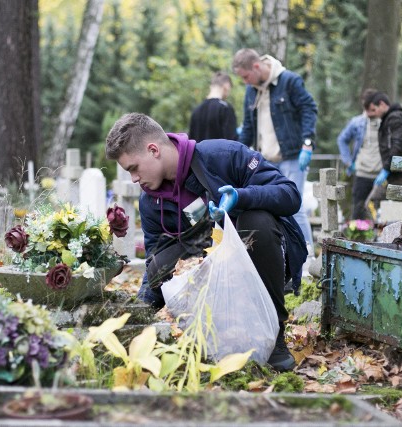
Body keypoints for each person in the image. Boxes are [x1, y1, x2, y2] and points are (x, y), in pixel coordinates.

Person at [105, 112, 307, 371]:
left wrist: (242, 197)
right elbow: (156, 259)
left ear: (153, 149)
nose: (133, 178)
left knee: (257, 220)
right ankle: (212, 336)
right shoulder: (150, 202)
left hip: (261, 256)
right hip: (211, 272)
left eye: (133, 168)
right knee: (161, 263)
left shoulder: (224, 155)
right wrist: (138, 315)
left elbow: (290, 195)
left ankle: (274, 334)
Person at [231, 48, 318, 257]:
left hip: (292, 156)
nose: (245, 81)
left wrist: (307, 143)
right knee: (271, 210)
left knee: (294, 208)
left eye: (246, 76)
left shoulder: (289, 82)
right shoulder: (251, 91)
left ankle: (306, 259)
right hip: (266, 161)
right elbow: (249, 129)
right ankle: (285, 258)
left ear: (257, 66)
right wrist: (237, 155)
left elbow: (309, 109)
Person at [336, 88, 380, 219]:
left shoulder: (386, 122)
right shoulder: (357, 122)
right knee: (358, 212)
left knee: (381, 216)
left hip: (381, 176)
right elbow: (342, 139)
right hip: (362, 174)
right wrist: (349, 162)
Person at [365, 91, 402, 188]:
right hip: (400, 172)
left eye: (375, 109)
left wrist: (386, 169)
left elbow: (398, 145)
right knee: (372, 201)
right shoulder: (393, 117)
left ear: (382, 104)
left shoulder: (394, 118)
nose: (374, 114)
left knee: (373, 201)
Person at [188, 72, 238, 142]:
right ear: (226, 86)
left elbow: (191, 141)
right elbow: (232, 141)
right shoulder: (225, 109)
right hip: (220, 153)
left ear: (211, 86)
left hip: (199, 153)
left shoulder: (196, 110)